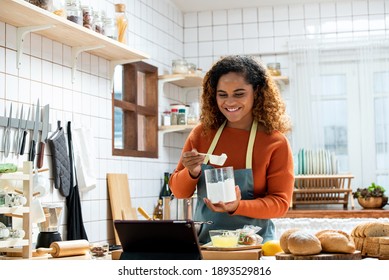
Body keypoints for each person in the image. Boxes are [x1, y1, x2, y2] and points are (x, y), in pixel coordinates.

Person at [169, 55, 294, 245]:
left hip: (255, 245)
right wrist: (191, 172)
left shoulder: (275, 142)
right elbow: (179, 192)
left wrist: (237, 206)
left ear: (257, 93)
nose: (229, 102)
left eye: (239, 93)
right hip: (206, 245)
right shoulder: (202, 134)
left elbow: (280, 204)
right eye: (222, 94)